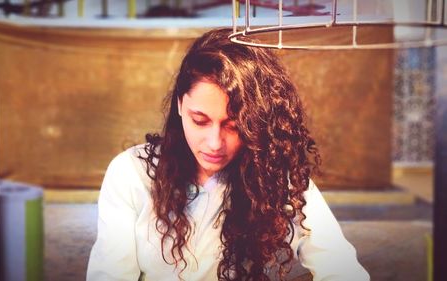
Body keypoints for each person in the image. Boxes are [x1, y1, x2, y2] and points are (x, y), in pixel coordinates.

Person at [86, 28, 370, 281]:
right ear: (180, 105)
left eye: (234, 127)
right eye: (200, 120)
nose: (214, 143)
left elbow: (342, 268)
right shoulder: (132, 174)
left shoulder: (273, 178)